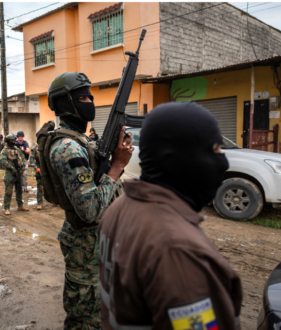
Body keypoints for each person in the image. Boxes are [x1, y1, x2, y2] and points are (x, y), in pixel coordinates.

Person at [98, 102, 241, 330]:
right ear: (179, 157)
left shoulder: (119, 208)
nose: (222, 161)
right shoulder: (177, 250)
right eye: (214, 149)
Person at [42, 72, 131, 329]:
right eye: (82, 97)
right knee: (86, 320)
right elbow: (90, 209)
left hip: (98, 241)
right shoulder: (68, 148)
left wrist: (116, 161)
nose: (90, 101)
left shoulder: (81, 142)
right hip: (86, 244)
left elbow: (100, 184)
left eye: (90, 96)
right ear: (63, 104)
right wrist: (116, 167)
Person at [0, 134, 29, 215]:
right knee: (9, 192)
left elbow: (23, 158)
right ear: (8, 142)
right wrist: (13, 169)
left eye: (13, 140)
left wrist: (22, 168)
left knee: (19, 190)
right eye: (11, 141)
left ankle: (20, 206)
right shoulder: (4, 151)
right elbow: (3, 162)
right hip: (10, 174)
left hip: (19, 173)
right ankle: (7, 208)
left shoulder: (17, 149)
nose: (13, 142)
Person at [29, 143, 43, 210]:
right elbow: (31, 159)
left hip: (49, 169)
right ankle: (40, 203)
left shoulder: (48, 145)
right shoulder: (35, 147)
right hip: (39, 169)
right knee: (40, 186)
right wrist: (36, 167)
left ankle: (54, 201)